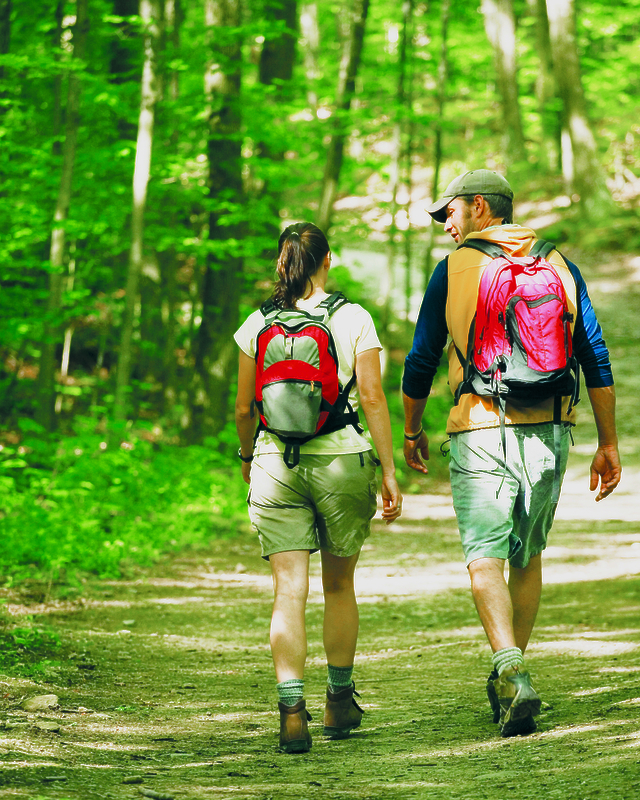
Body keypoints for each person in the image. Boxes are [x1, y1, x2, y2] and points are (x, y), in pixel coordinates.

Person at [402, 169, 622, 737]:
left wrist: (409, 431)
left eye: (448, 211)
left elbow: (421, 358)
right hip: (550, 426)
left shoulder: (452, 270)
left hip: (479, 424)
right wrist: (608, 442)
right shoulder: (557, 264)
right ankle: (513, 670)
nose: (445, 224)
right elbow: (594, 355)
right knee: (527, 555)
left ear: (479, 207)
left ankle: (509, 667)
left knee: (483, 555)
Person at [234, 221, 402, 753]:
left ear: (282, 263)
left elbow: (242, 408)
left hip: (273, 462)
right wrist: (390, 470)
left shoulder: (256, 322)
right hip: (341, 463)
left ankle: (290, 710)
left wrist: (246, 455)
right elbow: (373, 398)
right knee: (337, 587)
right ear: (326, 258)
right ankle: (338, 699)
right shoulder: (353, 317)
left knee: (289, 591)